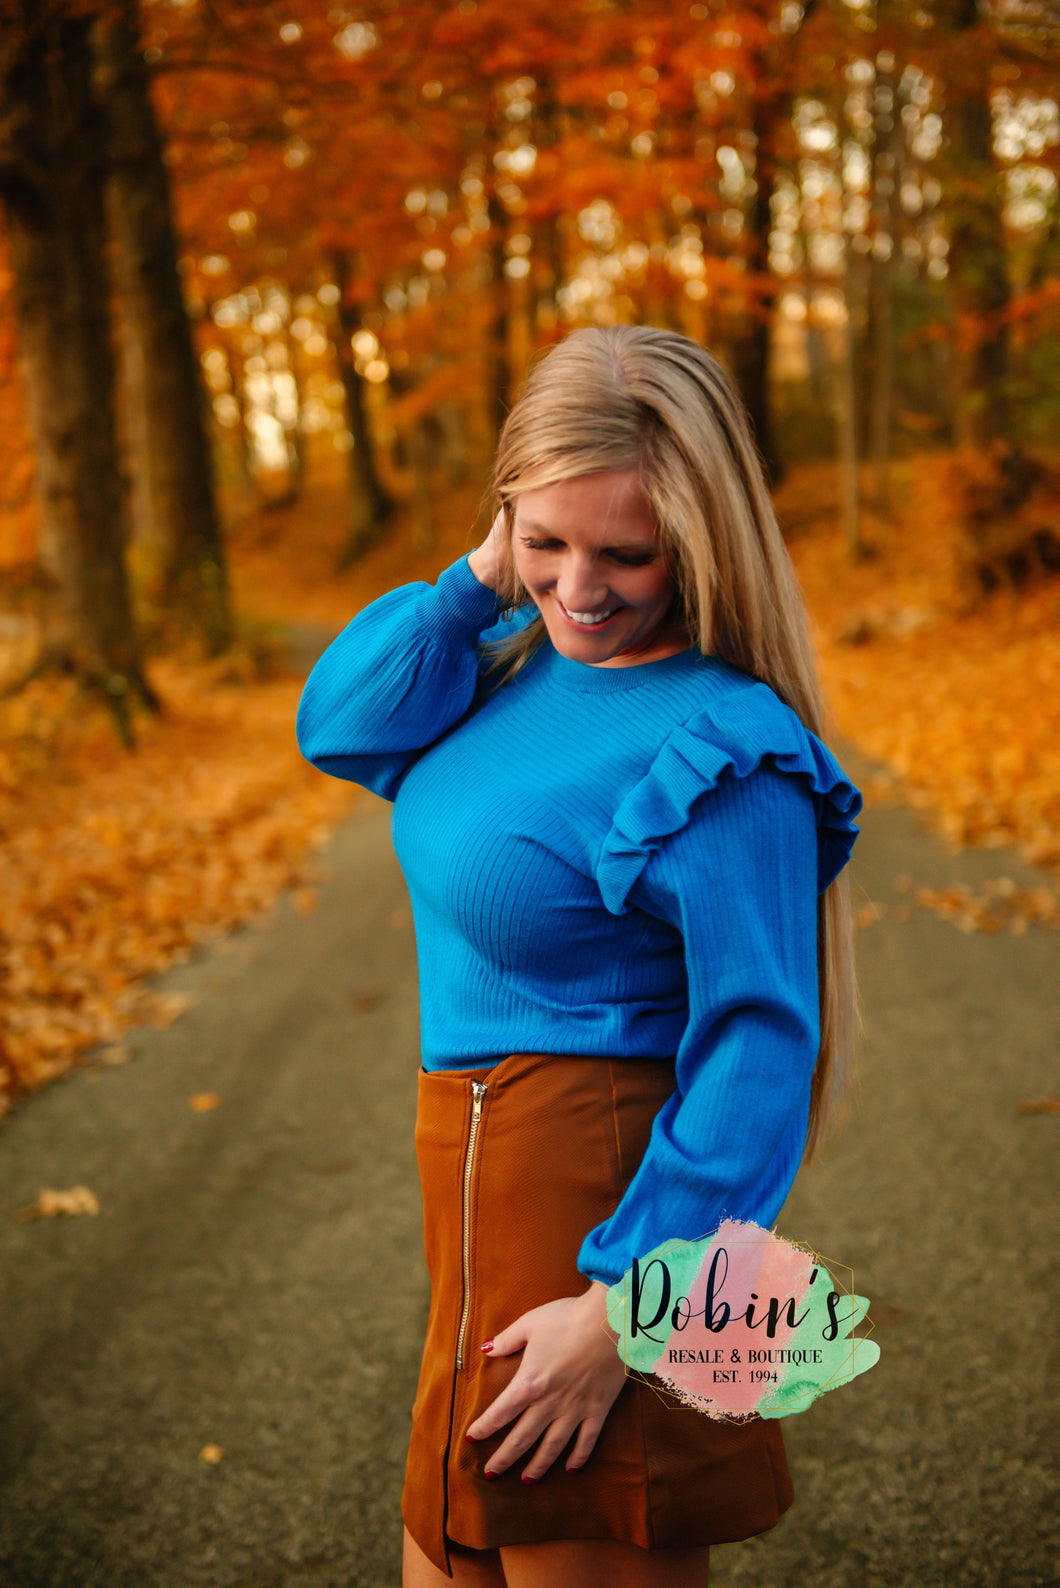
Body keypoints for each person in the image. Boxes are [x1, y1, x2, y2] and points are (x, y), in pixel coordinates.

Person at [296, 324, 861, 1588]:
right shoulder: (505, 671)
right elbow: (335, 724)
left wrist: (630, 1310)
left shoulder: (723, 749)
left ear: (702, 539)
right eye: (547, 542)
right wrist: (480, 578)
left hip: (604, 1238)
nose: (581, 591)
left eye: (627, 554)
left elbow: (758, 1050)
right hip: (474, 1232)